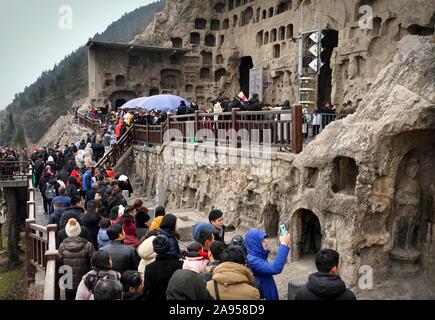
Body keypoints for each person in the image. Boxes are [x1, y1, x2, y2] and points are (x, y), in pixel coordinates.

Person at [245, 228, 290, 300]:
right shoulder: (253, 260)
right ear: (254, 243)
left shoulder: (258, 256)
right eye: (262, 240)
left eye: (265, 238)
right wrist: (284, 244)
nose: (266, 241)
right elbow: (275, 268)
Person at [58, 218, 95, 300]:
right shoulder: (88, 245)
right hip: (84, 280)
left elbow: (60, 262)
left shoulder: (62, 246)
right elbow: (93, 262)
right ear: (79, 230)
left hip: (68, 281)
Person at [143, 235, 184, 300]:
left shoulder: (149, 268)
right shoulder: (180, 264)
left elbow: (147, 290)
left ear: (154, 249)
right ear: (168, 246)